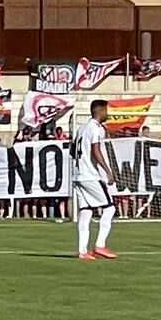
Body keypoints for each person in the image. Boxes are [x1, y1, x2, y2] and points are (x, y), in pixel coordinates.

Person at [71, 99, 117, 260]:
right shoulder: (95, 128)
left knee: (86, 212)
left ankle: (83, 251)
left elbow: (72, 150)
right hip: (90, 175)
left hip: (77, 175)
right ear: (100, 111)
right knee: (109, 208)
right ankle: (100, 245)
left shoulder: (81, 128)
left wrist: (81, 163)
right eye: (106, 111)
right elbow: (96, 151)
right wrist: (108, 171)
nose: (107, 114)